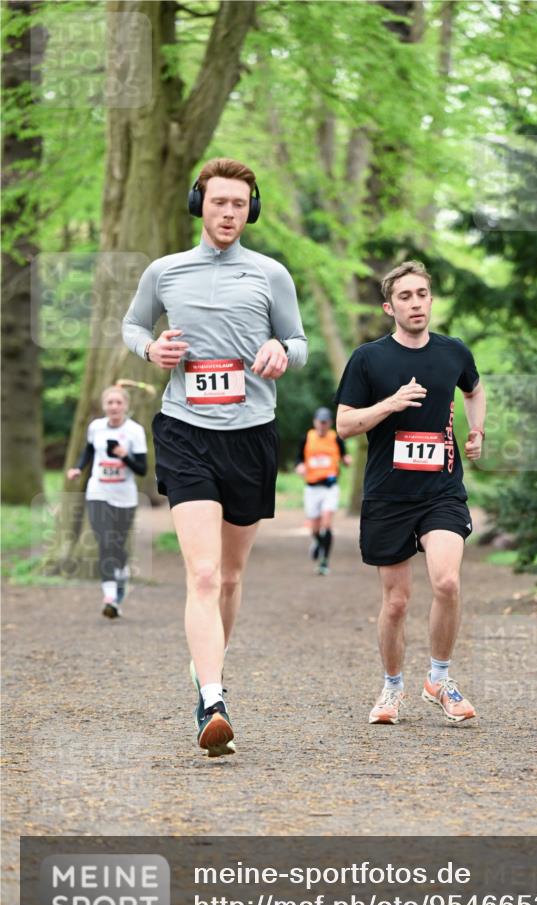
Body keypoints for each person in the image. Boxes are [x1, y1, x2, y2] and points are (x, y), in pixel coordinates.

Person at [122, 157, 307, 758]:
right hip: (185, 430)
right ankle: (212, 696)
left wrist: (283, 348)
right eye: (218, 201)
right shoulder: (165, 271)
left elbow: (299, 343)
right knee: (201, 573)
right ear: (198, 202)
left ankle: (207, 667)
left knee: (229, 576)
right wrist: (152, 347)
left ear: (250, 210)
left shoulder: (271, 274)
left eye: (238, 204)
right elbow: (131, 326)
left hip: (251, 433)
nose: (228, 213)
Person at [335, 261, 486, 726]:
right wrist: (390, 404)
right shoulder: (368, 359)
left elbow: (475, 390)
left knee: (447, 582)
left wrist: (477, 429)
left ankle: (439, 679)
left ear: (430, 300)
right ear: (389, 306)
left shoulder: (453, 352)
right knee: (396, 601)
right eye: (405, 296)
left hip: (441, 490)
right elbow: (344, 425)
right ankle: (392, 687)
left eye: (422, 294)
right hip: (387, 494)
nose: (416, 302)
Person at [67, 384, 147, 618]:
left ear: (126, 406)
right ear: (104, 406)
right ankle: (110, 597)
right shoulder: (96, 427)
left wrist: (125, 456)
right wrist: (78, 468)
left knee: (118, 545)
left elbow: (142, 469)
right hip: (98, 492)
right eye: (110, 403)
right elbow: (89, 451)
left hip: (125, 497)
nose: (114, 407)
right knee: (104, 540)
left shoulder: (134, 431)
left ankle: (122, 577)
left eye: (118, 403)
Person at [295, 406, 351, 575]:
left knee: (326, 524)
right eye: (320, 422)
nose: (322, 426)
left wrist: (347, 460)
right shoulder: (307, 437)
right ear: (315, 422)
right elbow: (298, 458)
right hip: (312, 488)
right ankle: (318, 543)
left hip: (329, 487)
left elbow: (344, 456)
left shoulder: (336, 438)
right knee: (313, 528)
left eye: (325, 423)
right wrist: (299, 466)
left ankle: (324, 562)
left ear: (330, 423)